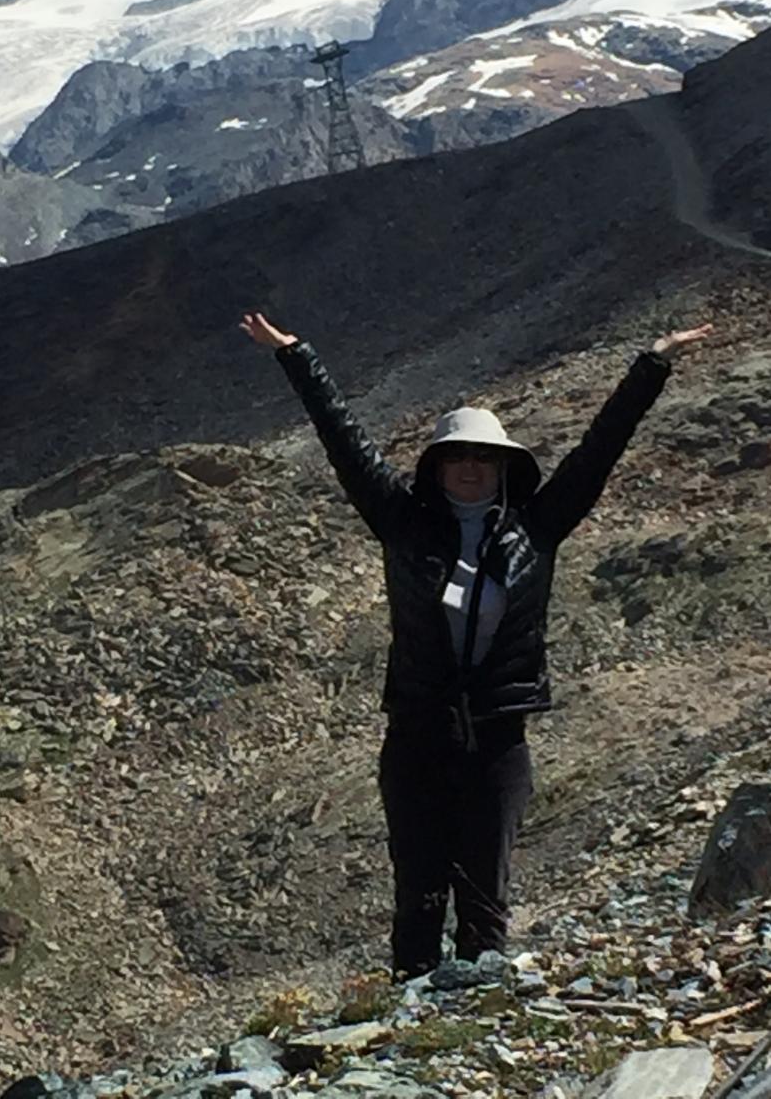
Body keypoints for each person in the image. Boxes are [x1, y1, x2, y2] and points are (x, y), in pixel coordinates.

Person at [240, 311, 713, 980]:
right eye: (457, 456)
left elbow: (600, 448)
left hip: (498, 742)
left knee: (486, 900)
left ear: (503, 467)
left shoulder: (538, 529)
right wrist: (296, 356)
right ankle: (406, 1030)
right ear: (436, 467)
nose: (470, 467)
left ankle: (475, 1023)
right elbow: (344, 441)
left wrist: (653, 364)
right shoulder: (402, 524)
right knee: (420, 893)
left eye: (483, 457)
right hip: (416, 739)